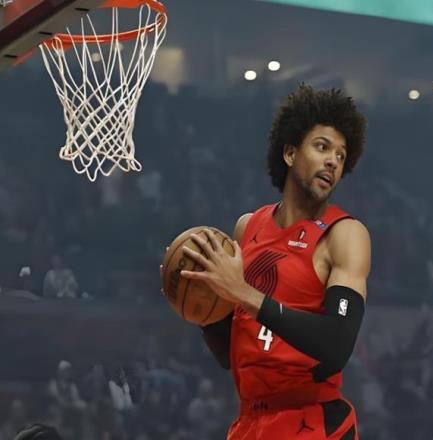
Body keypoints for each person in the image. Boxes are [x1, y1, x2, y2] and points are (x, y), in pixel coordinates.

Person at [178, 84, 370, 439]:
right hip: (251, 421)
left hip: (312, 420)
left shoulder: (344, 234)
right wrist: (201, 310)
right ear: (290, 153)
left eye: (341, 156)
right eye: (322, 147)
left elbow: (337, 346)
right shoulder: (247, 227)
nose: (333, 161)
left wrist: (242, 292)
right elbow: (233, 355)